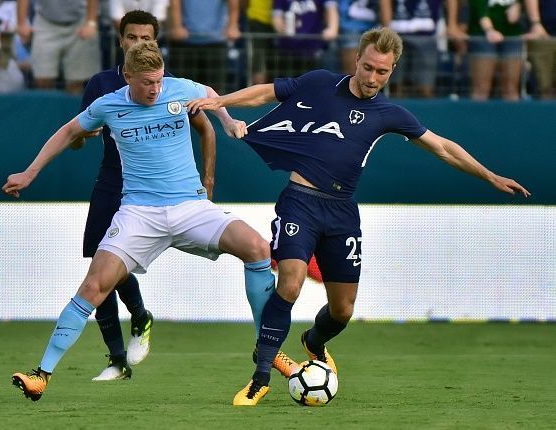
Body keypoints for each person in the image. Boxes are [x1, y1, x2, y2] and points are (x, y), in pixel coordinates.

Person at [186, 26, 531, 405]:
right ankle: (261, 374)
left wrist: (490, 175)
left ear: (393, 69)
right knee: (290, 282)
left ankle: (313, 341)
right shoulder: (320, 83)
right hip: (300, 200)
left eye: (382, 72)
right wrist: (221, 103)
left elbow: (443, 148)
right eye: (367, 68)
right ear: (356, 60)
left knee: (343, 310)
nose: (372, 78)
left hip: (342, 213)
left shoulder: (388, 113)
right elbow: (266, 92)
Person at [5, 40, 296, 402]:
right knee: (94, 285)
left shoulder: (179, 89)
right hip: (139, 214)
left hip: (191, 207)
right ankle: (41, 375)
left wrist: (227, 119)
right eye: (147, 83)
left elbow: (210, 94)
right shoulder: (108, 105)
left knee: (257, 248)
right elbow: (68, 132)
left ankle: (265, 348)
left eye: (159, 81)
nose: (155, 89)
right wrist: (30, 173)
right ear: (128, 76)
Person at [72, 9, 222, 382]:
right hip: (112, 181)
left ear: (156, 42)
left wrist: (208, 178)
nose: (139, 43)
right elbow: (77, 137)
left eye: (146, 38)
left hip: (161, 191)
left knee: (113, 269)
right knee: (97, 265)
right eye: (132, 37)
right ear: (120, 40)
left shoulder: (167, 84)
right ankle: (117, 358)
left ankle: (138, 315)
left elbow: (206, 128)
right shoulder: (101, 84)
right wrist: (81, 137)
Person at [16, 0, 100, 93]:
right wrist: (21, 23)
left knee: (77, 84)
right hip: (45, 21)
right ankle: (48, 107)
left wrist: (91, 22)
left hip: (80, 20)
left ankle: (73, 107)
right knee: (42, 80)